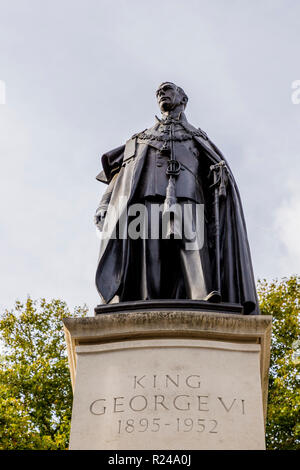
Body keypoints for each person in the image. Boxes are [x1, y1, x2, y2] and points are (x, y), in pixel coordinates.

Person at [94, 82, 260, 315]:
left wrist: (220, 175)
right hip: (147, 198)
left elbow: (216, 172)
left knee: (193, 242)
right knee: (150, 252)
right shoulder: (140, 139)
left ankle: (202, 294)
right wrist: (104, 203)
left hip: (187, 196)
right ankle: (147, 298)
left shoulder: (197, 137)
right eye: (159, 91)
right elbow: (119, 175)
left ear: (184, 99)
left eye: (168, 89)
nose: (162, 93)